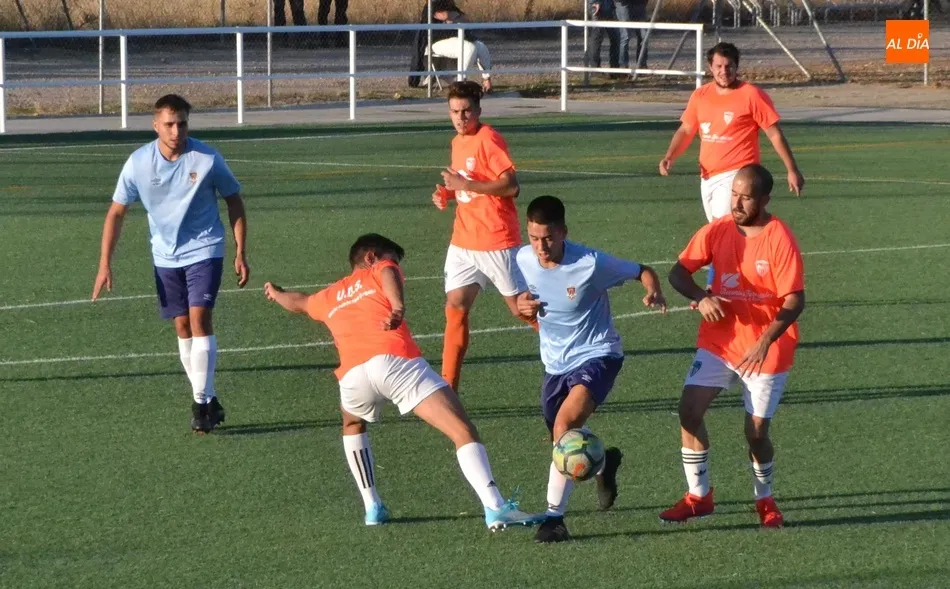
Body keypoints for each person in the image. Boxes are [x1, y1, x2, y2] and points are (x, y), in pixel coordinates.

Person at [262, 233, 543, 530]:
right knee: (462, 430)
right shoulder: (379, 269)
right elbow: (386, 270)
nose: (397, 267)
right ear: (371, 257)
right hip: (394, 362)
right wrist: (397, 305)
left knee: (353, 424)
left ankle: (372, 506)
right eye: (393, 260)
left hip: (354, 377)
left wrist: (276, 293)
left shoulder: (330, 295)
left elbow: (300, 302)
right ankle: (495, 507)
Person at [91, 94, 249, 434]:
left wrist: (240, 250)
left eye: (182, 124)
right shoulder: (138, 163)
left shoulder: (207, 158)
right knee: (181, 326)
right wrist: (105, 263)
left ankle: (200, 405)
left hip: (205, 247)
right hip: (164, 254)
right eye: (169, 124)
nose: (176, 131)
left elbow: (234, 200)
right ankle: (208, 398)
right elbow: (116, 212)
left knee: (199, 318)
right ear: (155, 126)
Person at [514, 195, 667, 543]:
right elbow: (523, 297)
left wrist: (653, 290)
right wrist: (522, 304)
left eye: (548, 238)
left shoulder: (590, 263)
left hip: (598, 355)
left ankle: (554, 520)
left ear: (564, 232)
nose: (541, 247)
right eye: (534, 237)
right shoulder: (523, 258)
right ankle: (603, 466)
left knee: (564, 427)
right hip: (554, 364)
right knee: (561, 439)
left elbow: (642, 270)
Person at [659, 164, 805, 529]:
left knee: (755, 434)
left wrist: (765, 340)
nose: (736, 204)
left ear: (765, 200)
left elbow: (795, 300)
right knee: (689, 411)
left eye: (746, 198)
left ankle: (764, 499)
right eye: (734, 195)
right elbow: (678, 272)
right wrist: (701, 296)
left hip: (767, 349)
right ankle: (699, 497)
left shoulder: (779, 237)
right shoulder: (719, 229)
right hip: (720, 341)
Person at [658, 42, 804, 289]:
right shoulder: (700, 96)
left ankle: (714, 288)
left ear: (737, 66)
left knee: (722, 230)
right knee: (723, 234)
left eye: (729, 66)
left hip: (737, 177)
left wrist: (792, 169)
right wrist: (670, 155)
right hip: (708, 177)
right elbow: (686, 129)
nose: (724, 71)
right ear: (710, 67)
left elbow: (774, 134)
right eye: (719, 66)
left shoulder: (751, 95)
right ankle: (744, 282)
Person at [432, 80, 537, 393]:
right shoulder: (457, 142)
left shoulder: (488, 139)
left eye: (466, 111)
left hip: (495, 240)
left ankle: (570, 345)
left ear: (478, 110)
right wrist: (447, 194)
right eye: (454, 111)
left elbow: (511, 186)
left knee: (521, 309)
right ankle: (448, 389)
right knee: (455, 306)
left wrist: (464, 186)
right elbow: (465, 184)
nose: (460, 117)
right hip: (463, 241)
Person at [409, 0, 493, 92]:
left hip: (452, 37)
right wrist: (454, 16)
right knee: (469, 48)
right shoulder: (431, 4)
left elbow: (465, 18)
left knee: (481, 46)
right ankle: (461, 83)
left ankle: (486, 80)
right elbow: (444, 15)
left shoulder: (449, 5)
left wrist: (454, 16)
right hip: (434, 41)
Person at [585, 0, 621, 77]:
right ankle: (595, 68)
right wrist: (595, 2)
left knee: (616, 37)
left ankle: (615, 68)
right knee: (596, 38)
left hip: (609, 6)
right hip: (597, 7)